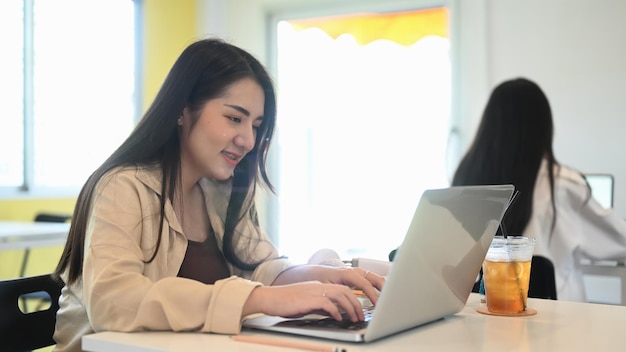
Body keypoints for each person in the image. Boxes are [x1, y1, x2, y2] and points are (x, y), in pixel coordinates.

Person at [51, 38, 384, 352]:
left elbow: (259, 268)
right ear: (182, 110)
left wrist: (320, 278)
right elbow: (113, 303)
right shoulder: (122, 186)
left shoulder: (221, 189)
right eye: (234, 118)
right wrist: (259, 299)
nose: (248, 141)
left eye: (255, 125)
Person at [451, 77, 626, 302]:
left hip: (482, 315)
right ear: (543, 127)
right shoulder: (562, 184)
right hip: (556, 321)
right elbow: (617, 240)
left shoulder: (464, 178)